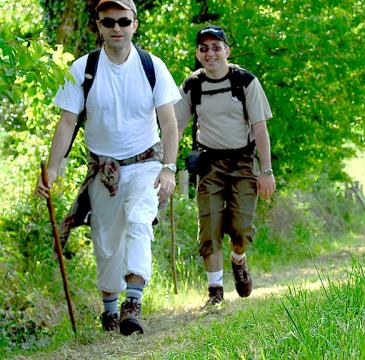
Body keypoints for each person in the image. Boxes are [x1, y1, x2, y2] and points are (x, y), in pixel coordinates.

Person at [35, 0, 181, 335]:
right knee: (106, 239)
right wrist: (54, 168)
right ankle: (111, 310)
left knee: (140, 219)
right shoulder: (83, 69)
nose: (116, 28)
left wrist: (169, 168)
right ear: (99, 26)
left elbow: (169, 123)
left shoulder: (152, 66)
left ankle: (134, 300)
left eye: (123, 21)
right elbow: (68, 121)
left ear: (135, 24)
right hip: (103, 169)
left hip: (145, 163)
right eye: (109, 22)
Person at [175, 25, 275, 307]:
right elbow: (176, 126)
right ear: (197, 53)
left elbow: (260, 128)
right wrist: (164, 163)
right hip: (209, 163)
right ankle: (215, 291)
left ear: (227, 51)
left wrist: (266, 171)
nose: (210, 53)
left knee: (241, 228)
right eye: (204, 48)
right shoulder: (192, 85)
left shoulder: (245, 81)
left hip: (243, 162)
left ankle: (239, 259)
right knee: (209, 226)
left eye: (216, 47)